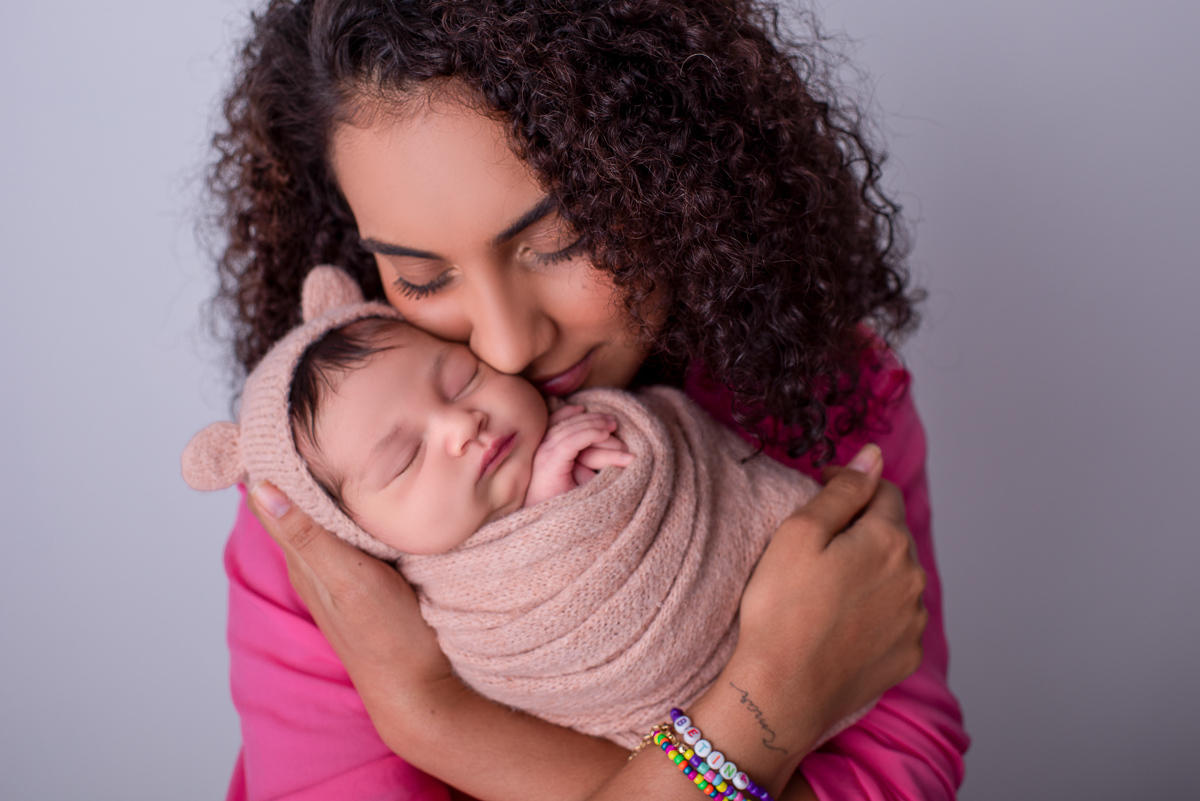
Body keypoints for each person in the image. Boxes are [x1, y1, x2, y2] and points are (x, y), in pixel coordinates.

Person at [206, 1, 968, 799]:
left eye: (561, 241)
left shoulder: (818, 388)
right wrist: (767, 700)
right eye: (424, 277)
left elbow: (903, 771)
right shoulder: (338, 492)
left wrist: (440, 721)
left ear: (675, 170)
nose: (504, 346)